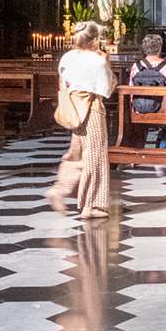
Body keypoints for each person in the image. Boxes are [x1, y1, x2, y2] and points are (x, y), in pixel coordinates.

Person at [48, 22, 114, 219]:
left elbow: (62, 82)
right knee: (96, 157)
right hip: (92, 109)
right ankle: (91, 205)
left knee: (76, 154)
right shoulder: (97, 60)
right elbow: (107, 88)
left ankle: (59, 189)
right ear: (94, 40)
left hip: (73, 108)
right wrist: (107, 62)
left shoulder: (67, 57)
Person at [121, 32, 166, 153]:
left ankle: (138, 150)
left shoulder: (136, 66)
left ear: (144, 48)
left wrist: (135, 106)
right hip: (161, 110)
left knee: (141, 126)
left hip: (139, 109)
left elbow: (132, 89)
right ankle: (162, 149)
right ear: (159, 48)